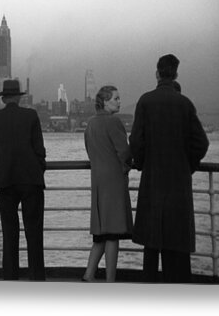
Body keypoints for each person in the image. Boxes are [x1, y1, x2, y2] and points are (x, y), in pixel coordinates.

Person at [129, 54, 209, 283]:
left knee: (151, 247)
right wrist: (188, 166)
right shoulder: (185, 104)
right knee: (178, 248)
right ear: (176, 74)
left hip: (153, 184)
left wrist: (143, 163)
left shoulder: (145, 101)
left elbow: (135, 142)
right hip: (178, 187)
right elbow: (201, 143)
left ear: (157, 73)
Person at [0, 79, 47, 281]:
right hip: (31, 179)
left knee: (9, 232)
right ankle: (37, 277)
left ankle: (10, 277)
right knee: (34, 231)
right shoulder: (31, 116)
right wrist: (38, 169)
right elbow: (39, 150)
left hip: (5, 180)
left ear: (3, 98)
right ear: (19, 97)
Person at [82, 85, 133, 283]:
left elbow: (90, 150)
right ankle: (110, 281)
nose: (119, 101)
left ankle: (89, 274)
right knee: (112, 233)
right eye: (116, 98)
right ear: (105, 101)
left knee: (101, 233)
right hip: (114, 182)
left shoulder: (90, 124)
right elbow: (125, 152)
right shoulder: (114, 122)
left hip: (98, 181)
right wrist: (127, 166)